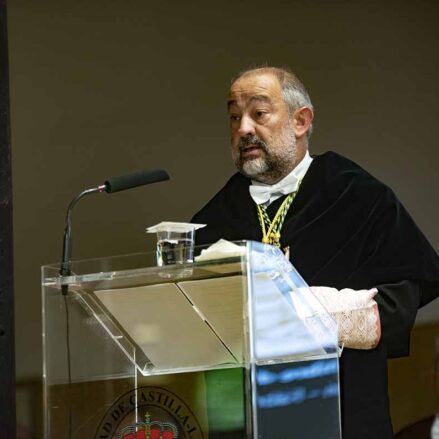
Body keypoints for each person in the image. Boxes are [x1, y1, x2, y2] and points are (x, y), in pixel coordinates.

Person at [191, 66, 439, 438]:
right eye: (234, 117)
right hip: (246, 420)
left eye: (258, 114)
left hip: (343, 410)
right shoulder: (213, 219)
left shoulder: (356, 195)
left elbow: (408, 289)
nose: (243, 129)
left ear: (301, 121)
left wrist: (322, 313)